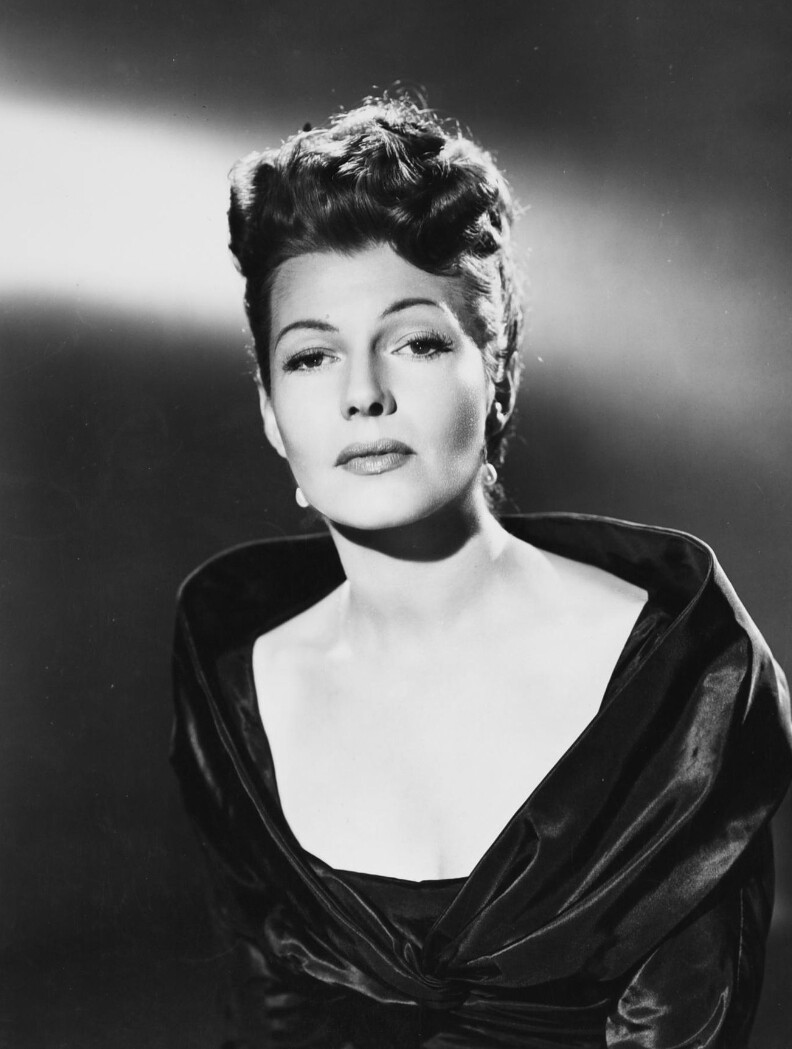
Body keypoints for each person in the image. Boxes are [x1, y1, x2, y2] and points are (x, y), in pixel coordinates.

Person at [170, 98, 792, 1048]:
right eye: (312, 355)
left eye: (417, 341)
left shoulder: (678, 685)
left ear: (497, 371)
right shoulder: (231, 679)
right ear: (269, 411)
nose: (363, 393)